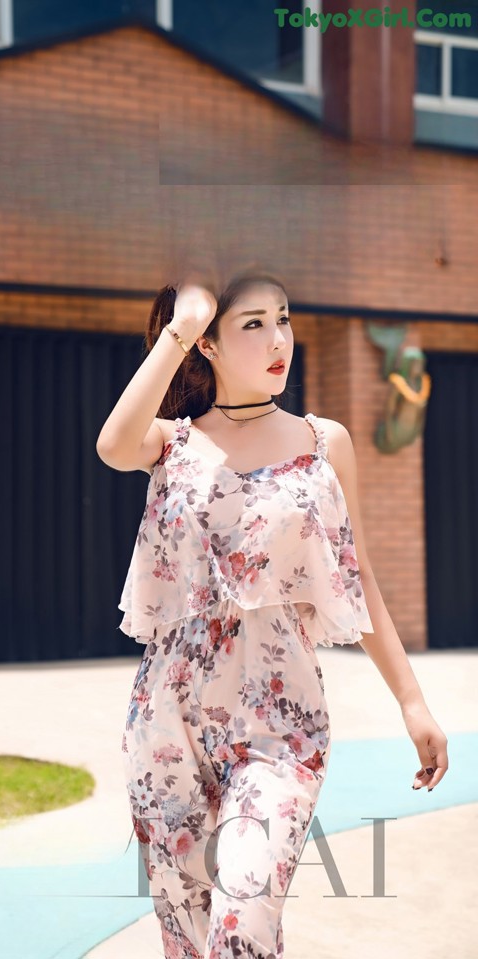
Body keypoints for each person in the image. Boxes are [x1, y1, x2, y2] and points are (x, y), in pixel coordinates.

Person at [96, 268, 449, 959]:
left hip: (280, 726)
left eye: (282, 318)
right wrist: (179, 325)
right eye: (251, 324)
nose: (277, 338)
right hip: (167, 724)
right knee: (190, 936)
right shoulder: (172, 443)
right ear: (209, 346)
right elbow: (111, 445)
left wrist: (413, 701)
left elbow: (360, 577)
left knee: (242, 922)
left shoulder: (324, 444)